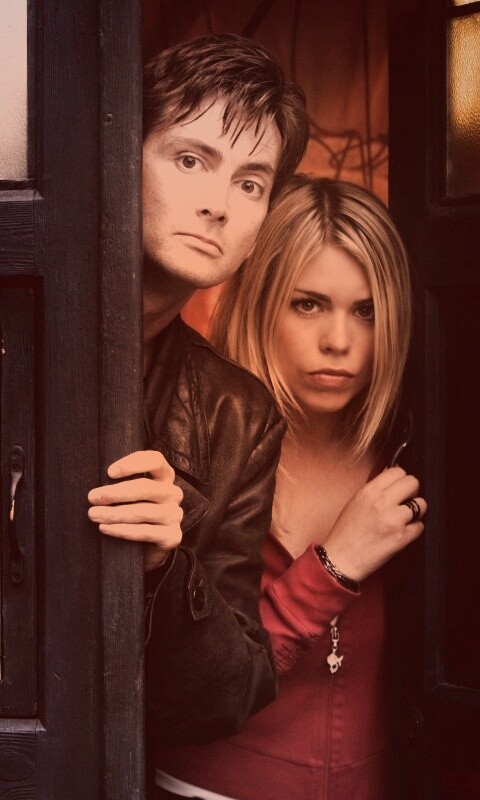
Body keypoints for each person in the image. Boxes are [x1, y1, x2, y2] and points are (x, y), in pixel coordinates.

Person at [150, 175, 427, 800]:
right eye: (308, 304)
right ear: (260, 303)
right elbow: (186, 683)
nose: (339, 341)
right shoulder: (195, 451)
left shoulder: (416, 454)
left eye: (366, 311)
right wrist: (332, 568)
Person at [86, 31, 309, 784]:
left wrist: (163, 564)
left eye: (251, 182)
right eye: (190, 160)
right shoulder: (22, 325)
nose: (218, 204)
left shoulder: (238, 413)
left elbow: (225, 699)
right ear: (120, 156)